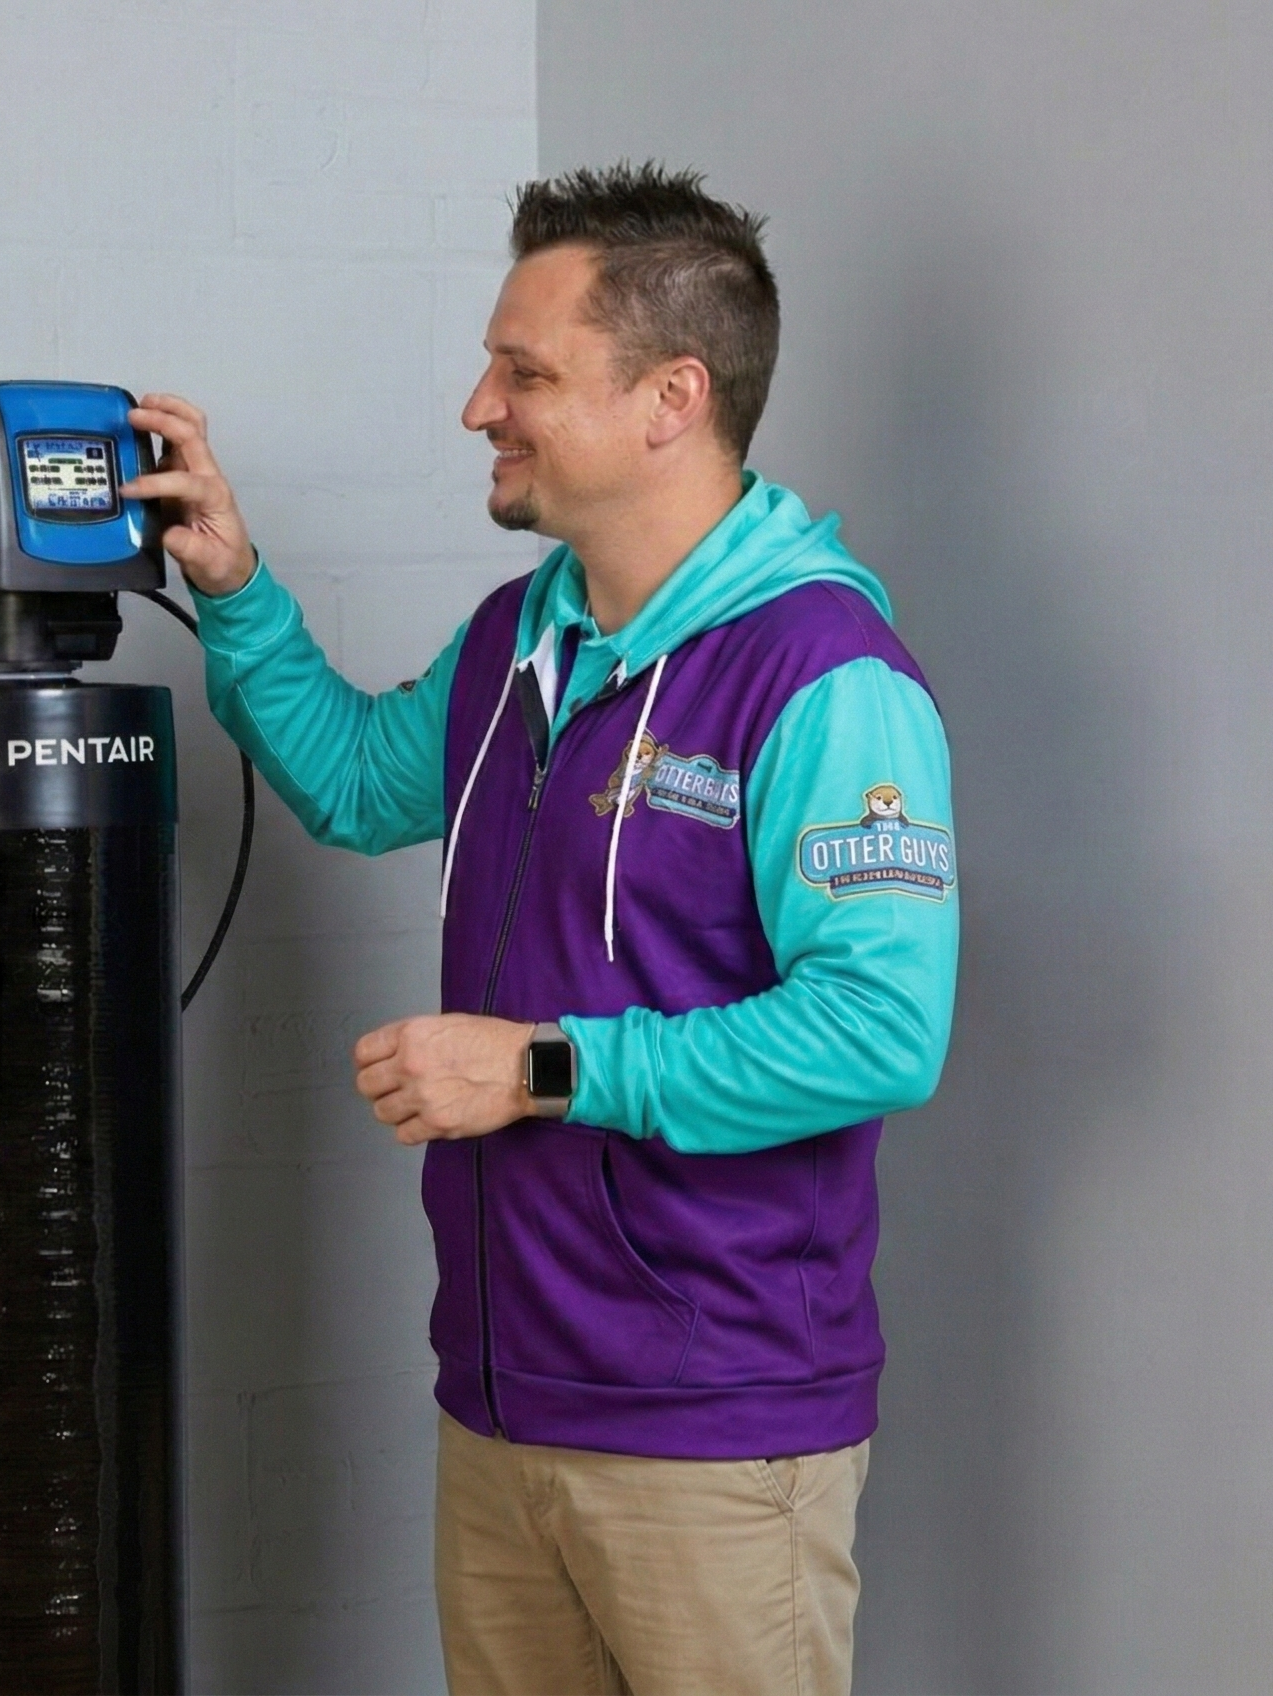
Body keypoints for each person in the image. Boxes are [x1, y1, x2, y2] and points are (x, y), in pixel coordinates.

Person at [121, 161, 958, 1696]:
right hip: (504, 1410)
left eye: (526, 371)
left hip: (717, 1434)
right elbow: (368, 780)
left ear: (670, 399)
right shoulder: (526, 635)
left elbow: (880, 1028)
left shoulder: (826, 678)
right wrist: (235, 592)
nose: (477, 407)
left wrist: (545, 1071)